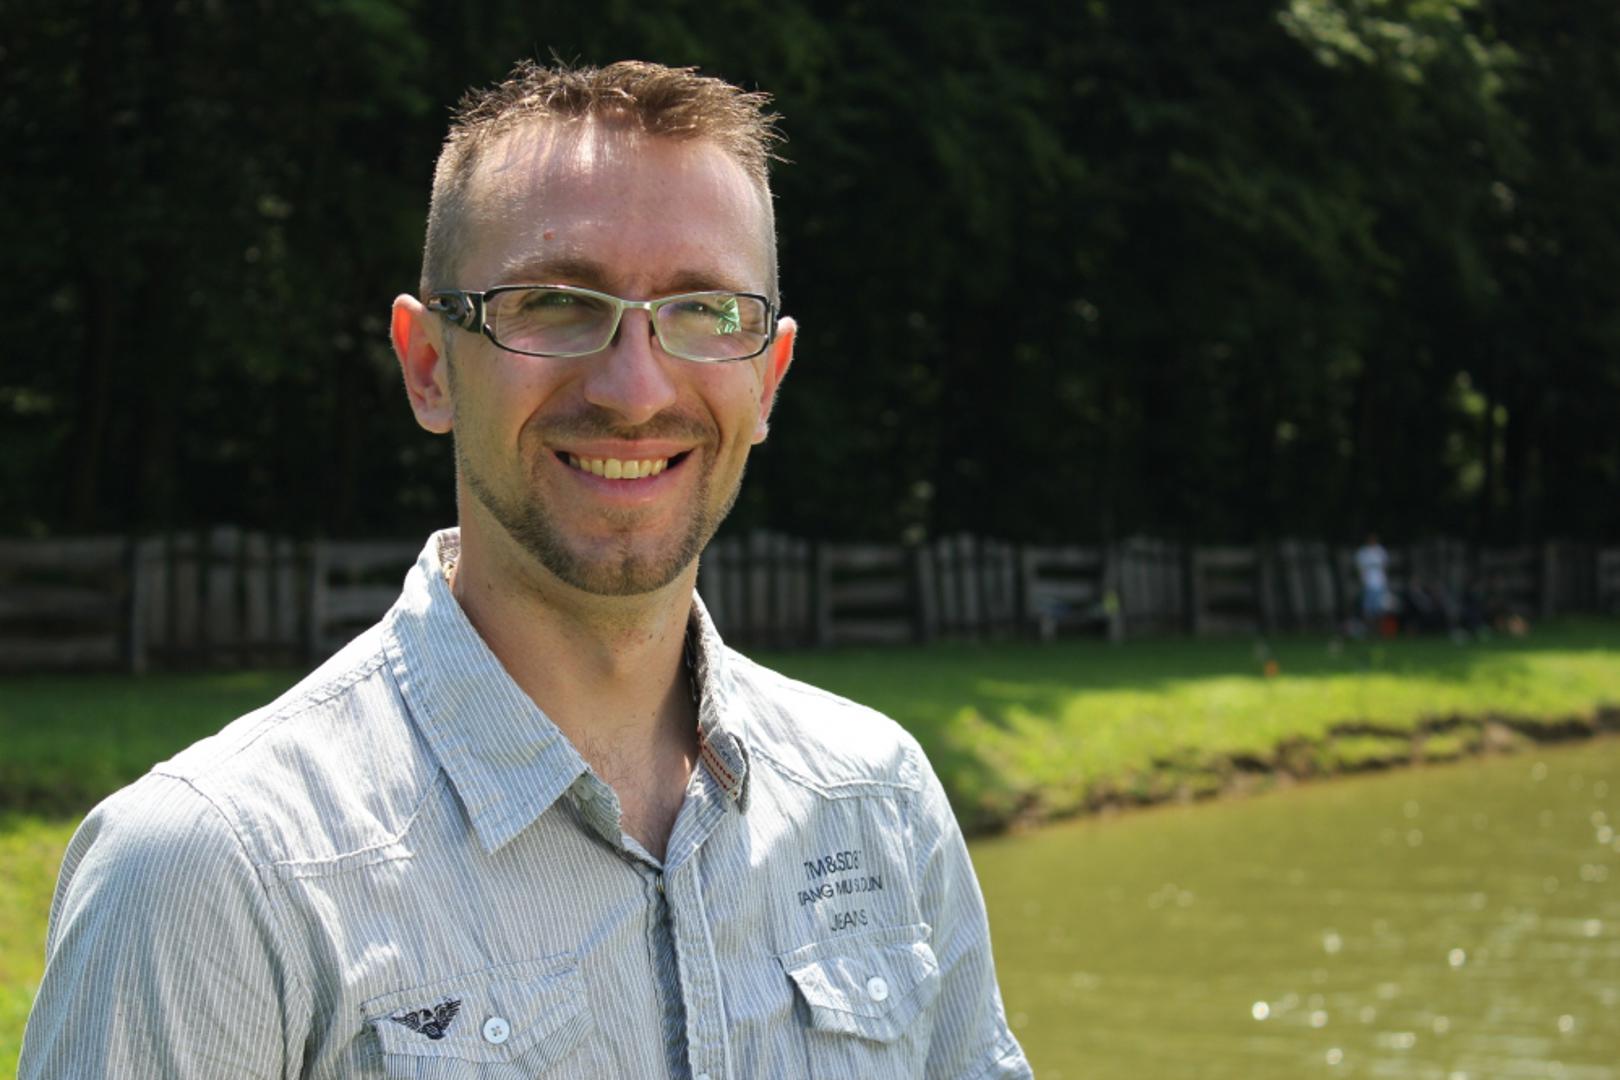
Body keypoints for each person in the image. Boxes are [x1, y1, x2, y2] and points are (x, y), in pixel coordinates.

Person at [21, 60, 1030, 1078]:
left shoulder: (877, 798)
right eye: (553, 302)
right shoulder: (213, 875)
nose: (635, 391)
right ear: (429, 365)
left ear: (767, 379)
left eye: (705, 310)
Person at [1354, 532, 1390, 633]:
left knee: (1380, 608)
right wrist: (1362, 580)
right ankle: (1370, 629)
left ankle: (1380, 630)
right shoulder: (1363, 552)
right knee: (1368, 609)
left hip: (1380, 583)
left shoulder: (1380, 551)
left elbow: (1385, 566)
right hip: (1368, 584)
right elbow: (1360, 569)